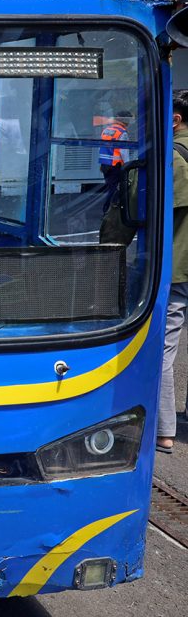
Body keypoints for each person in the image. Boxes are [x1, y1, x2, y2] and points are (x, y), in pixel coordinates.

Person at [158, 91, 188, 454]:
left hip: (179, 266)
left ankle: (165, 430)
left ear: (176, 120)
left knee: (164, 349)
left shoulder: (173, 158)